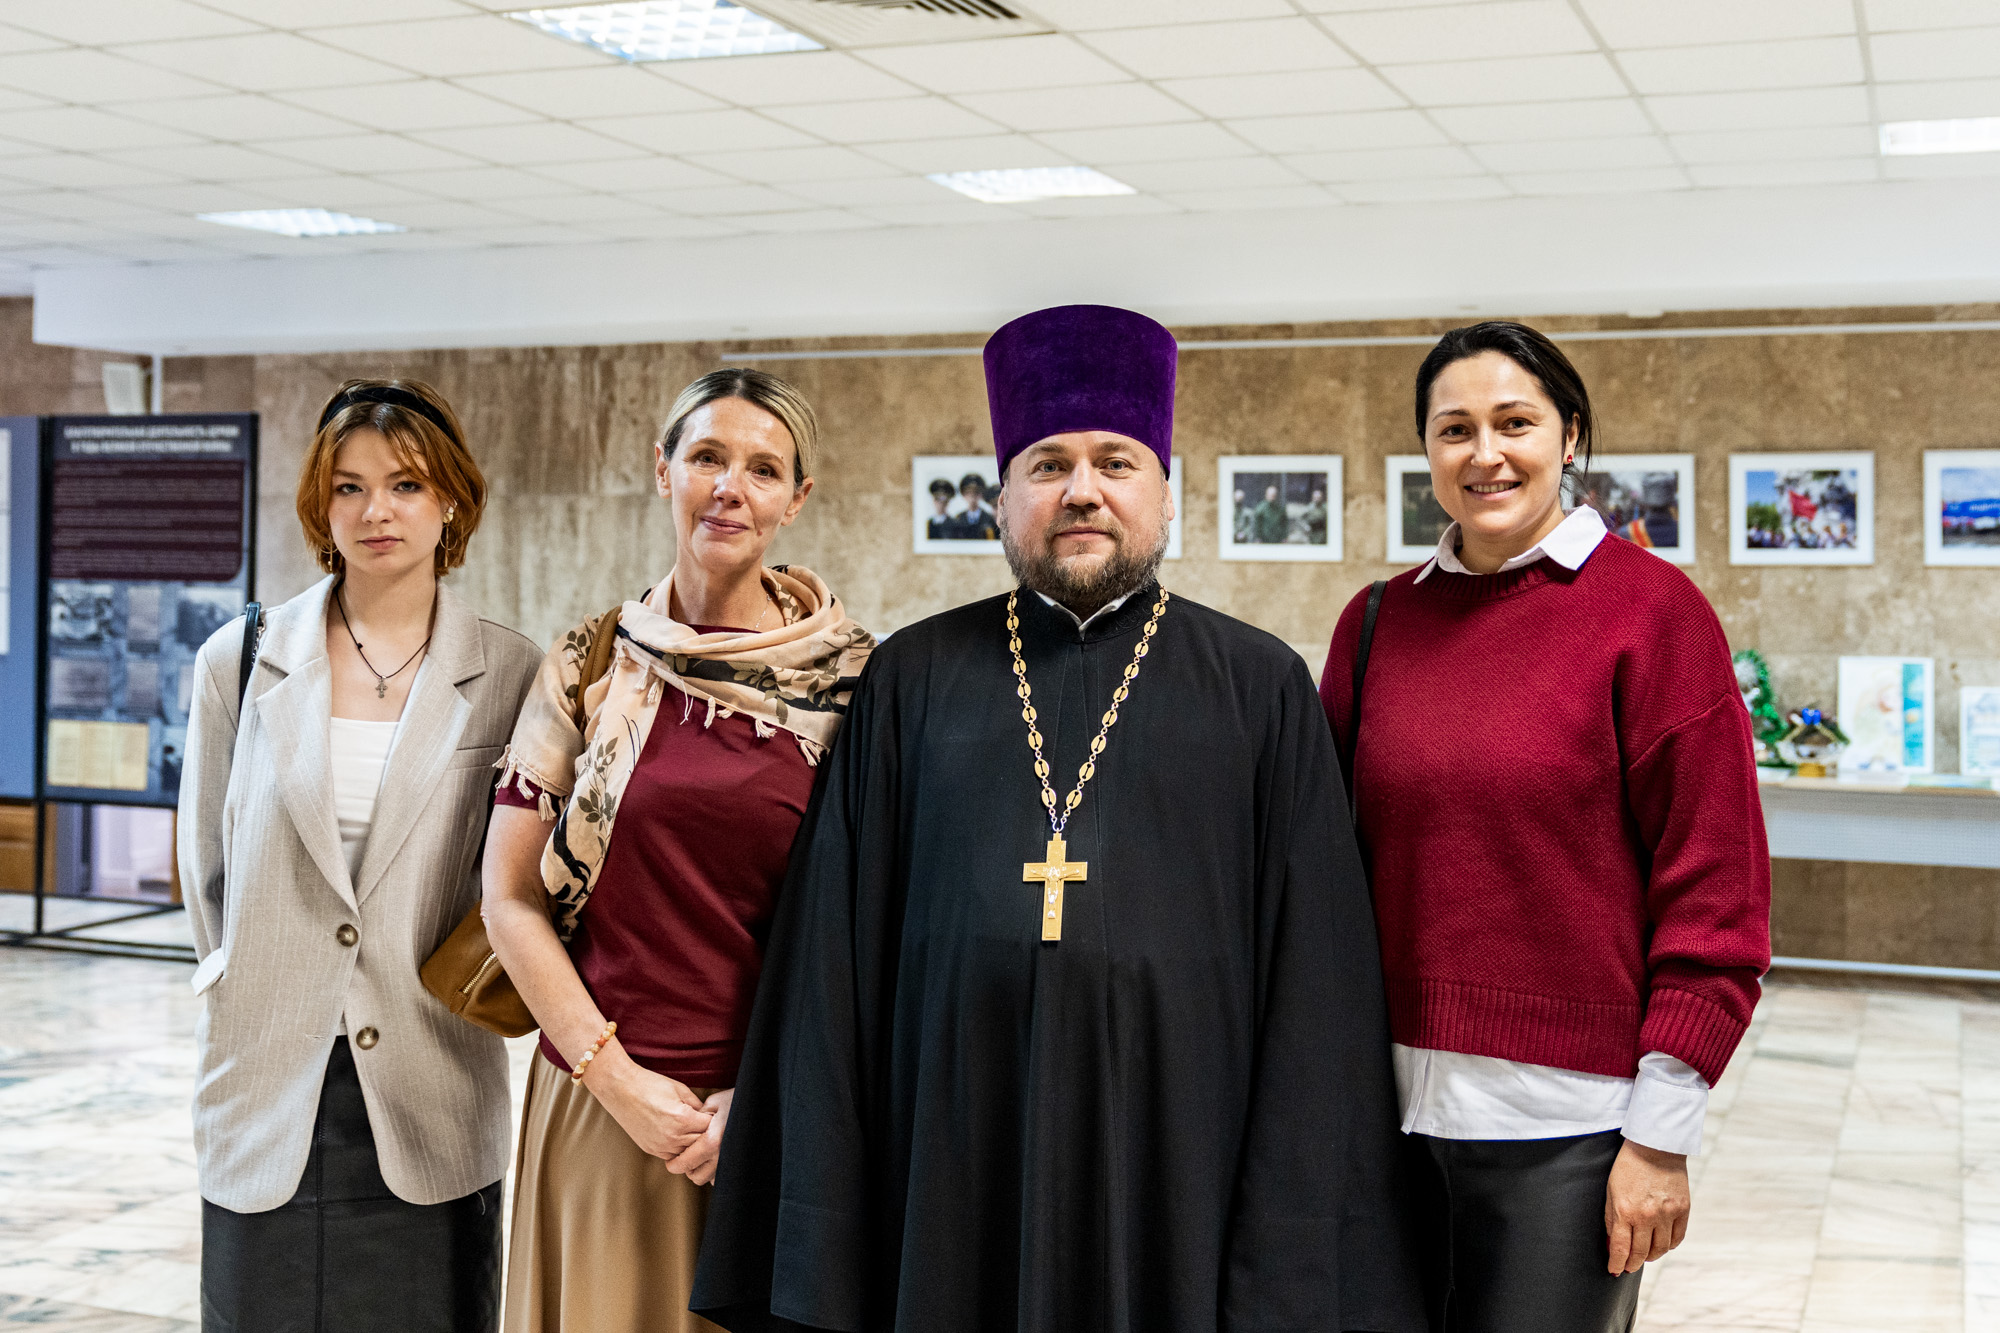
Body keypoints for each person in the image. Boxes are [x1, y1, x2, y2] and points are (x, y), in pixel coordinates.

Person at [694, 304, 1422, 1333]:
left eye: (1115, 462)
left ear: (1165, 493)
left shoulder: (1260, 688)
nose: (1082, 489)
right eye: (1047, 465)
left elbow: (1316, 985)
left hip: (1182, 1168)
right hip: (948, 1160)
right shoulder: (912, 677)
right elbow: (831, 963)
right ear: (1002, 498)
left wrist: (1287, 1258)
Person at [1318, 321, 1770, 1332]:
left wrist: (1658, 1137)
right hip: (1379, 1120)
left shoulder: (1652, 615)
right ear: (1426, 450)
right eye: (1454, 429)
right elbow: (1321, 864)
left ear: (1568, 436)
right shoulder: (1376, 625)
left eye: (1513, 422)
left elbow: (1716, 895)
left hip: (1570, 1134)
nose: (1485, 453)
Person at [482, 368, 874, 1333]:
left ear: (797, 498)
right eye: (707, 457)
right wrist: (616, 1081)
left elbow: (867, 925)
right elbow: (509, 898)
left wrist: (766, 1092)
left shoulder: (856, 686)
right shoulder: (590, 662)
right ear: (664, 470)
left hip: (776, 1120)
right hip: (601, 1107)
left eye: (763, 469)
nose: (730, 487)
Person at [178, 379, 542, 1332]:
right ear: (321, 503)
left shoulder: (511, 672)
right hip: (267, 1076)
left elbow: (518, 873)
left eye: (406, 484)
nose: (377, 510)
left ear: (450, 499)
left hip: (430, 1079)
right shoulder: (238, 659)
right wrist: (236, 978)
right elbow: (206, 867)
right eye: (350, 486)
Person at [948, 471, 1000, 539]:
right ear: (963, 495)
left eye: (976, 493)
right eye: (968, 493)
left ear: (981, 495)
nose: (972, 498)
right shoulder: (958, 519)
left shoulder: (989, 519)